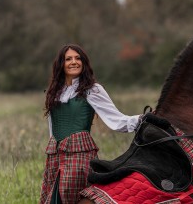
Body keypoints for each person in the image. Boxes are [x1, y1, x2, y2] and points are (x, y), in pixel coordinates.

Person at [40, 44, 142, 204]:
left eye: (77, 58)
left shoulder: (91, 90)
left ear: (84, 62)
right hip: (55, 157)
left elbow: (116, 120)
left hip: (79, 155)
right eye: (68, 59)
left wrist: (142, 119)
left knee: (78, 199)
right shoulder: (54, 92)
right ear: (61, 64)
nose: (74, 62)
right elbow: (52, 128)